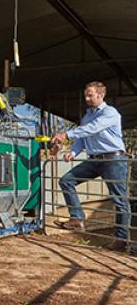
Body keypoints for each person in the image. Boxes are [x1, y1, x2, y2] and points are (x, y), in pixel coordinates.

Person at [52, 81, 131, 251]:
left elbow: (92, 129)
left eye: (90, 95)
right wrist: (73, 152)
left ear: (101, 95)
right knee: (66, 181)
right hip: (94, 159)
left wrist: (66, 134)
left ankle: (121, 240)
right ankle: (77, 219)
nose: (87, 98)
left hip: (113, 160)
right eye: (86, 95)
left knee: (119, 199)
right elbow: (82, 138)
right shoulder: (87, 116)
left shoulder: (110, 113)